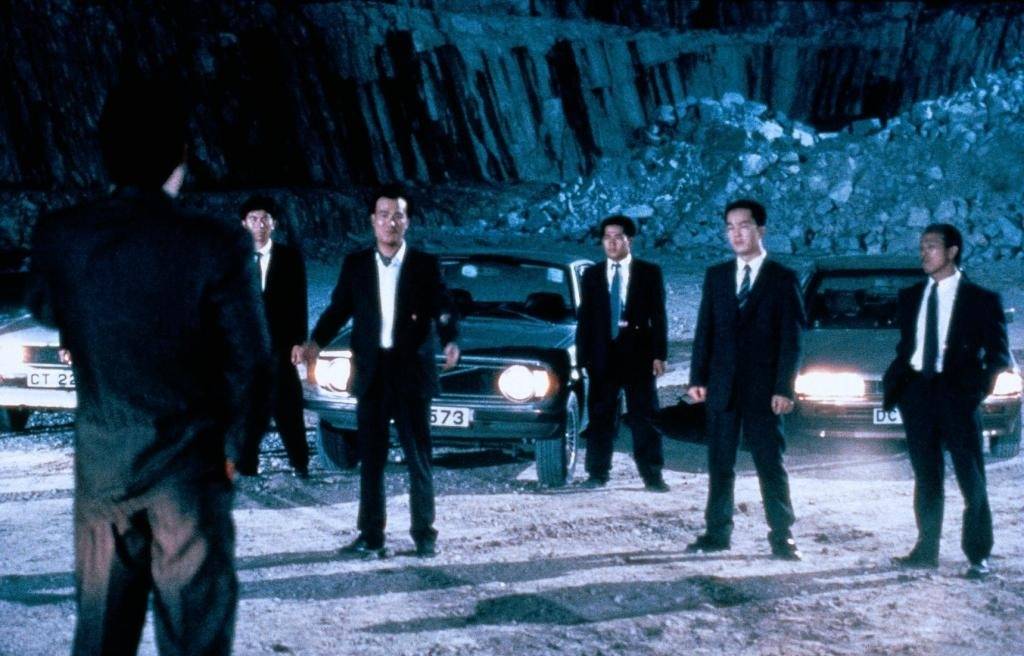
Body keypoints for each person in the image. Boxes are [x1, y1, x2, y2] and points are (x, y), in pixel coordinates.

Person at [28, 77, 270, 655]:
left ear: (104, 150)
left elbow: (45, 306)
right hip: (190, 474)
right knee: (194, 641)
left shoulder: (63, 237)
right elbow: (254, 361)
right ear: (179, 155)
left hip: (105, 471)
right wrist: (237, 449)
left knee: (101, 638)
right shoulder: (215, 242)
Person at [298, 186, 459, 558]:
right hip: (372, 375)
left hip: (411, 374)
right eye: (384, 215)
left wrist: (450, 339)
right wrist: (315, 342)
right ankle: (371, 537)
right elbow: (338, 309)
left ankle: (425, 535)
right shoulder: (356, 265)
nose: (390, 222)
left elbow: (444, 307)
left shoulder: (424, 265)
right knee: (371, 460)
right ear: (373, 221)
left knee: (419, 458)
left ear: (408, 221)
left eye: (397, 215)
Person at [883, 223, 1009, 579]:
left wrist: (973, 392)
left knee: (971, 477)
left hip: (957, 397)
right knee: (926, 477)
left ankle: (978, 555)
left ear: (952, 251)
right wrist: (903, 388)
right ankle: (926, 550)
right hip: (917, 395)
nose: (923, 253)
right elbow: (908, 346)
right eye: (922, 246)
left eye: (931, 246)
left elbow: (999, 356)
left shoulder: (981, 299)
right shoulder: (910, 296)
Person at [686, 199, 803, 560]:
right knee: (720, 464)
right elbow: (704, 330)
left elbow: (791, 340)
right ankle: (717, 533)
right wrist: (697, 377)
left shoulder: (783, 279)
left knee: (770, 463)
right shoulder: (717, 276)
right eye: (730, 227)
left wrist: (784, 387)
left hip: (764, 392)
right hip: (722, 388)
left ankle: (782, 536)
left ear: (760, 230)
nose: (736, 234)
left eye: (744, 226)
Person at [576, 215, 669, 491]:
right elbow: (585, 319)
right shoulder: (592, 275)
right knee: (600, 416)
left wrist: (659, 355)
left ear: (630, 240)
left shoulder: (649, 272)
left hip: (638, 357)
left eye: (618, 237)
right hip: (602, 358)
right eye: (607, 238)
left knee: (645, 417)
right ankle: (597, 474)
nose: (612, 243)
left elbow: (659, 316)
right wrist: (583, 358)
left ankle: (652, 476)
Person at [237, 195, 311, 479]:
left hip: (280, 344)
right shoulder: (233, 258)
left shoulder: (290, 258)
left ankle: (300, 463)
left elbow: (299, 302)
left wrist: (299, 341)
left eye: (265, 219)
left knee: (287, 404)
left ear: (274, 224)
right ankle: (247, 466)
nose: (259, 225)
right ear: (244, 224)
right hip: (245, 348)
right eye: (254, 219)